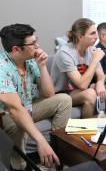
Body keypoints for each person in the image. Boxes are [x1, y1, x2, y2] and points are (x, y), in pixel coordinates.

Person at [0, 24, 72, 170]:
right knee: (17, 124)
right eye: (32, 43)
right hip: (7, 114)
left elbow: (49, 93)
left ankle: (57, 149)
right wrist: (40, 140)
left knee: (64, 99)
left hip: (29, 106)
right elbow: (15, 109)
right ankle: (19, 166)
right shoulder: (2, 68)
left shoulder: (30, 60)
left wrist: (42, 66)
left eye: (36, 40)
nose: (37, 46)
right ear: (16, 49)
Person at [51, 18, 106, 118]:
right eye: (92, 33)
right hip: (62, 94)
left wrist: (100, 83)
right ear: (80, 37)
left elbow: (101, 75)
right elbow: (82, 85)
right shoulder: (65, 53)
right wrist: (95, 60)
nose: (97, 37)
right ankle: (86, 130)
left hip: (78, 90)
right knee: (90, 94)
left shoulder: (91, 49)